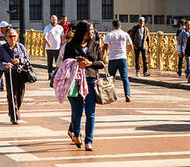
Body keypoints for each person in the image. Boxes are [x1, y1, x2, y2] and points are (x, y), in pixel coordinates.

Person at [62, 20, 104, 152]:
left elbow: (102, 63)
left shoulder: (95, 45)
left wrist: (90, 64)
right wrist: (76, 63)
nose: (92, 32)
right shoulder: (71, 46)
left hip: (91, 81)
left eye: (92, 30)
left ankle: (89, 141)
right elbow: (65, 63)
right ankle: (76, 133)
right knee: (77, 112)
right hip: (75, 82)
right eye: (89, 30)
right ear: (82, 32)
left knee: (90, 113)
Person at [0, 28, 30, 124]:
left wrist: (20, 60)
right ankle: (14, 115)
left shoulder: (21, 47)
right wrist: (5, 65)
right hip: (10, 73)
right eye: (10, 36)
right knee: (11, 95)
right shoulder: (2, 48)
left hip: (21, 72)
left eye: (14, 36)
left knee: (20, 95)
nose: (13, 38)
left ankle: (14, 111)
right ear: (6, 38)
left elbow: (27, 59)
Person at [103, 19, 133, 102]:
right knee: (125, 78)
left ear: (113, 26)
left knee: (111, 78)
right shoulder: (125, 34)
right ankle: (127, 94)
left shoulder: (109, 35)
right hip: (122, 58)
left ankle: (111, 95)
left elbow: (105, 47)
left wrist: (103, 58)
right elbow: (131, 46)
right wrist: (125, 53)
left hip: (112, 58)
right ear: (120, 26)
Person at [43, 15, 65, 84]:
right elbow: (45, 36)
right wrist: (48, 42)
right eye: (52, 20)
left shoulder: (60, 28)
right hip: (49, 48)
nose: (54, 21)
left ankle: (57, 74)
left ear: (57, 20)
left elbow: (62, 36)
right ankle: (50, 74)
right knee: (49, 61)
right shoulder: (47, 27)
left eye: (55, 20)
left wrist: (63, 43)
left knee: (58, 62)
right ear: (50, 20)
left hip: (58, 47)